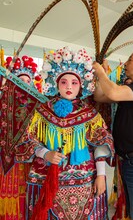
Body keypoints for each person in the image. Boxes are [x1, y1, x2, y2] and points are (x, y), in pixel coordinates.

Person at [15, 47, 114, 220]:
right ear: (56, 83)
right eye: (64, 82)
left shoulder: (90, 114)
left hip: (84, 180)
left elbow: (101, 144)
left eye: (74, 83)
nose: (69, 86)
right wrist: (46, 153)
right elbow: (28, 139)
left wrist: (101, 175)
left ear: (81, 85)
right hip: (48, 177)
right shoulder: (42, 111)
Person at [92, 50, 133, 220]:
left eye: (130, 60)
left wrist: (100, 71)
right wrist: (103, 74)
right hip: (132, 160)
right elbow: (100, 96)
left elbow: (113, 93)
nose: (126, 64)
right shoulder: (132, 89)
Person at [0, 56, 39, 220]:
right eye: (19, 81)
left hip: (27, 157)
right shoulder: (3, 101)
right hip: (5, 156)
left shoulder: (37, 105)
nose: (23, 84)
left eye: (26, 81)